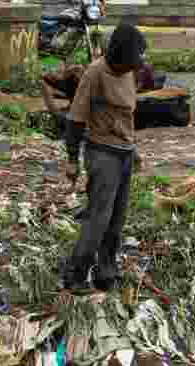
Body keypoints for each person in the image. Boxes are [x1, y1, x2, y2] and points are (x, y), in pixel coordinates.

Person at [60, 23, 147, 293]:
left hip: (123, 154)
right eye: (135, 56)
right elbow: (75, 118)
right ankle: (75, 274)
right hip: (102, 154)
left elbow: (125, 117)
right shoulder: (95, 73)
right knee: (99, 218)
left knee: (117, 220)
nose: (138, 62)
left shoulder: (130, 72)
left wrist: (133, 149)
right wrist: (72, 159)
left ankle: (105, 272)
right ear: (120, 54)